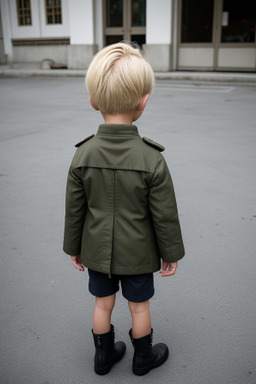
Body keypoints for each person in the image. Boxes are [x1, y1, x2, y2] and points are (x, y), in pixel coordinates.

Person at [63, 42, 185, 376]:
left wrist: (73, 247)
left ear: (93, 101)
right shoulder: (152, 158)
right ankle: (142, 358)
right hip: (139, 255)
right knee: (139, 307)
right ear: (144, 101)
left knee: (102, 303)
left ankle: (102, 357)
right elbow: (164, 215)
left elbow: (75, 210)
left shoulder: (82, 154)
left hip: (97, 252)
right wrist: (171, 253)